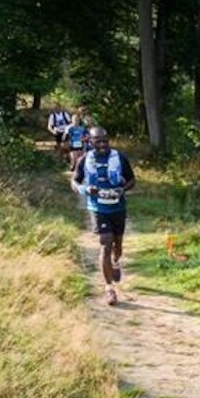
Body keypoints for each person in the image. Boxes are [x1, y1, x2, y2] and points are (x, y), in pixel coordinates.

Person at [72, 127, 135, 306]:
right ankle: (109, 289)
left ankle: (116, 261)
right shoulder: (84, 160)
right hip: (98, 209)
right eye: (97, 141)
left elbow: (132, 180)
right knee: (105, 244)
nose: (102, 145)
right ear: (90, 142)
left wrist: (121, 189)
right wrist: (85, 189)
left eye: (105, 141)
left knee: (118, 244)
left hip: (118, 208)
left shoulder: (120, 157)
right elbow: (75, 181)